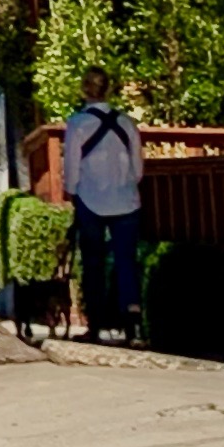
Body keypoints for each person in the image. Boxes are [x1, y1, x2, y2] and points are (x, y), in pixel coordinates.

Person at [58, 66, 145, 342]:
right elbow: (138, 169)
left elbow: (72, 168)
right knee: (126, 262)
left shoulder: (77, 124)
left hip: (91, 199)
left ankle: (95, 324)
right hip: (126, 198)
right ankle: (133, 323)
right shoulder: (127, 123)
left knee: (93, 263)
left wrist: (72, 192)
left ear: (84, 89)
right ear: (108, 89)